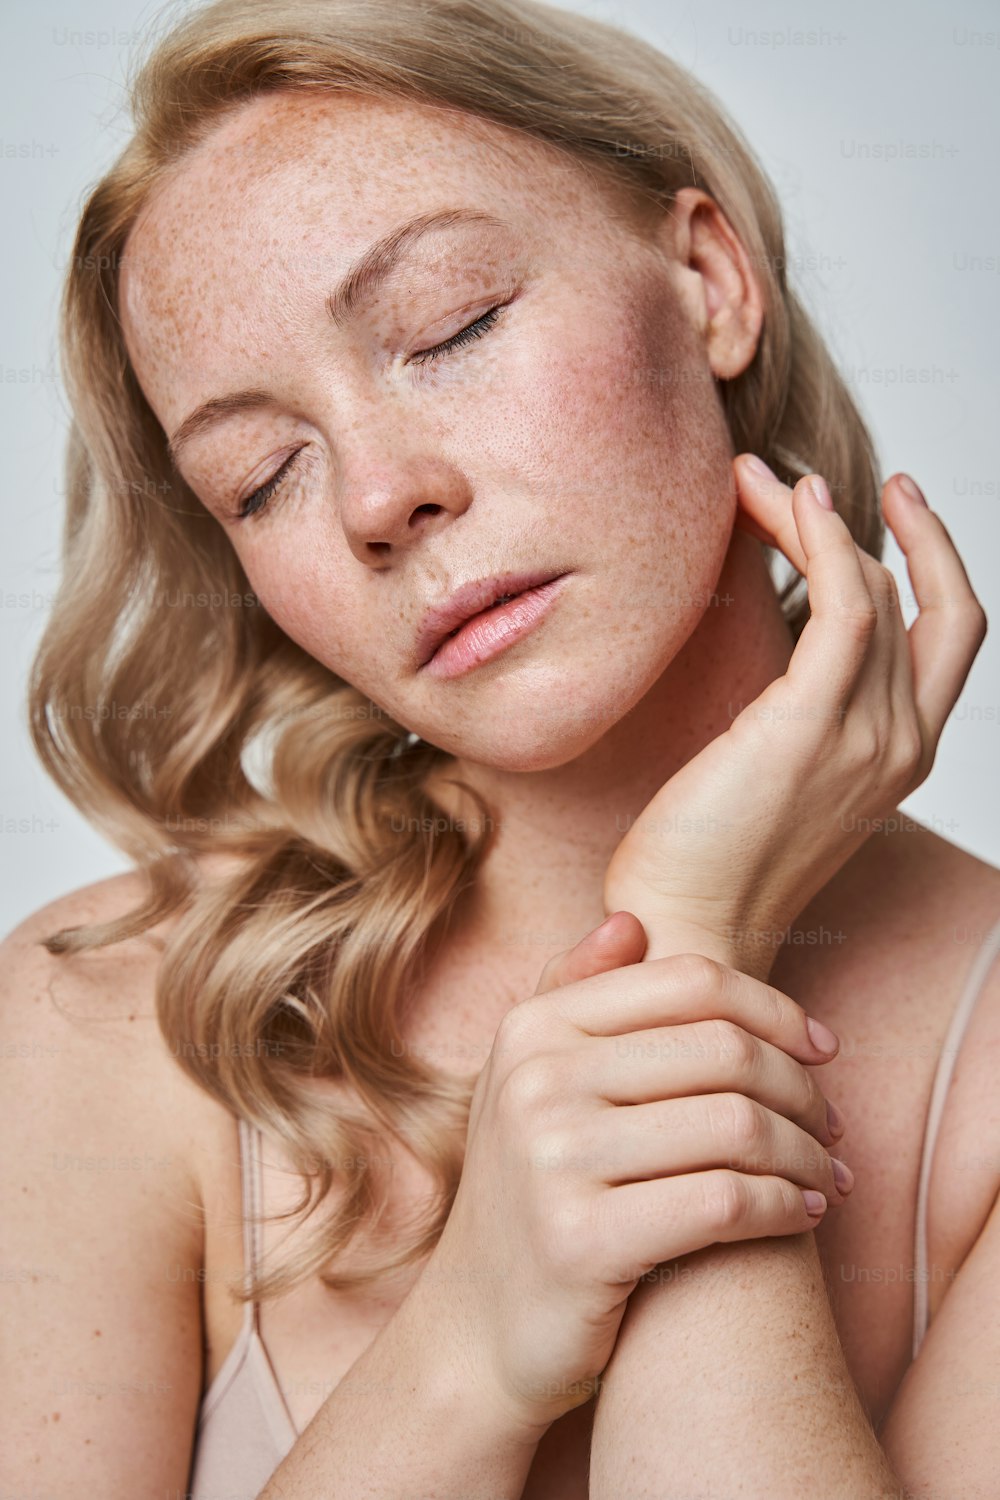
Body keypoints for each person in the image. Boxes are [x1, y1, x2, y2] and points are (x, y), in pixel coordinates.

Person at [4, 0, 998, 1495]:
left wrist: (690, 941)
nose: (375, 500)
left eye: (448, 328)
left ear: (711, 280)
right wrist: (469, 1340)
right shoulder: (107, 1024)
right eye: (263, 474)